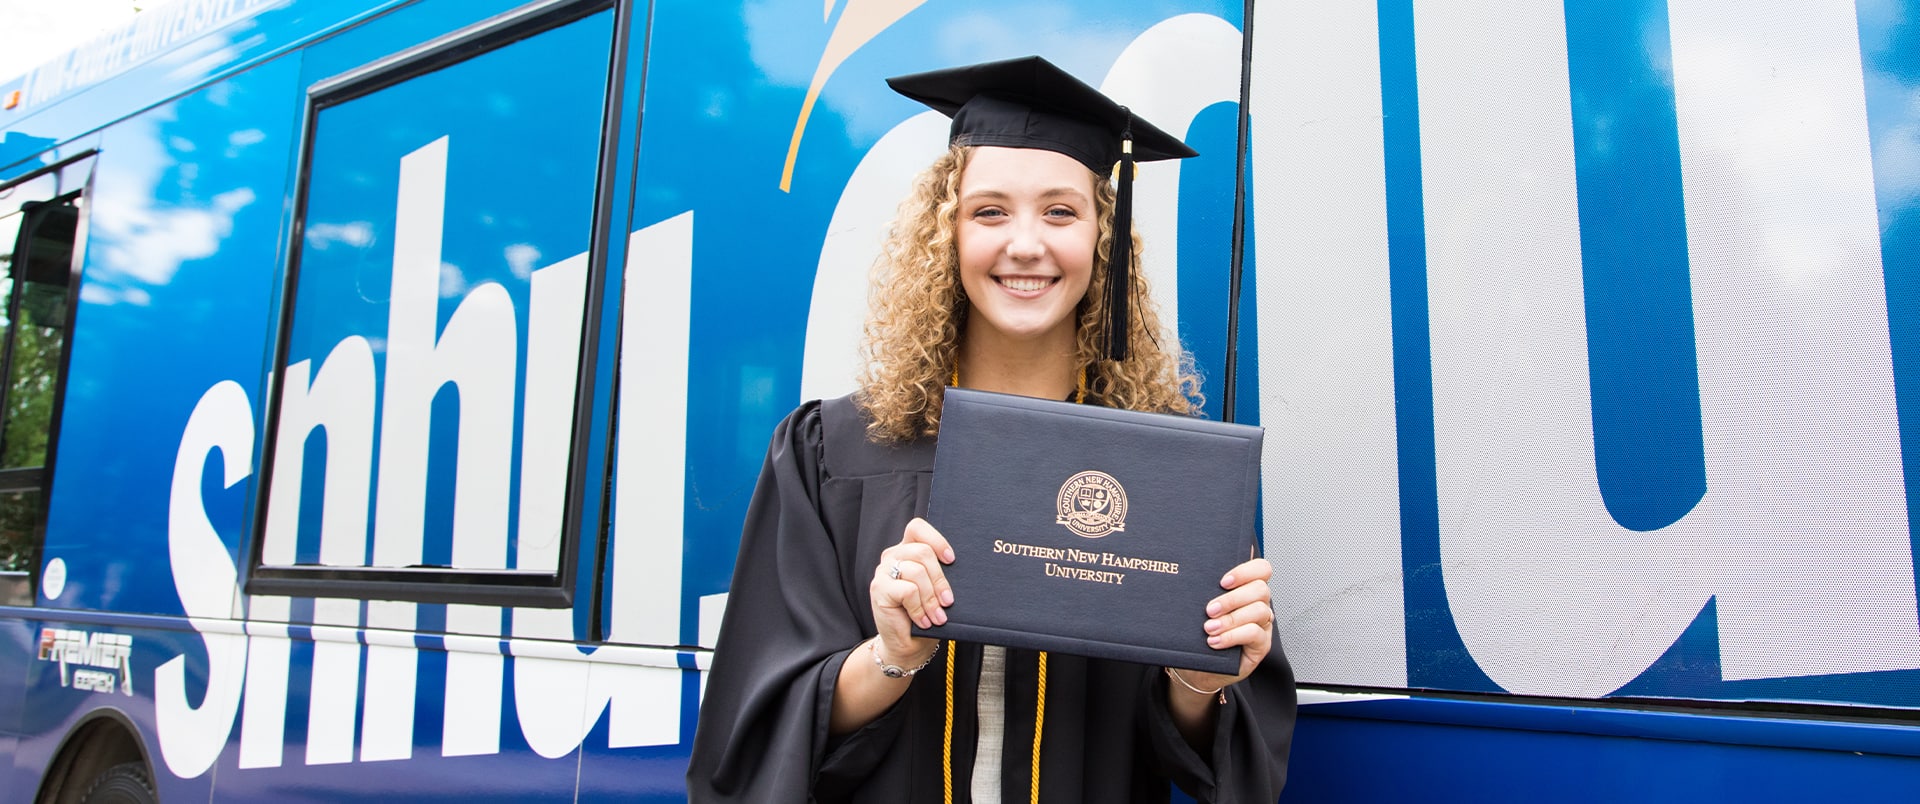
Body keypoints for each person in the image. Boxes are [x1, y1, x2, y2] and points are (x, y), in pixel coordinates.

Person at [688, 55, 1295, 803]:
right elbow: (758, 730)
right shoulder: (834, 451)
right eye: (990, 211)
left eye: (1061, 211)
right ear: (947, 235)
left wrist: (1201, 681)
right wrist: (892, 653)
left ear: (1105, 239)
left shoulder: (1169, 469)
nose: (1026, 244)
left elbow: (1215, 759)